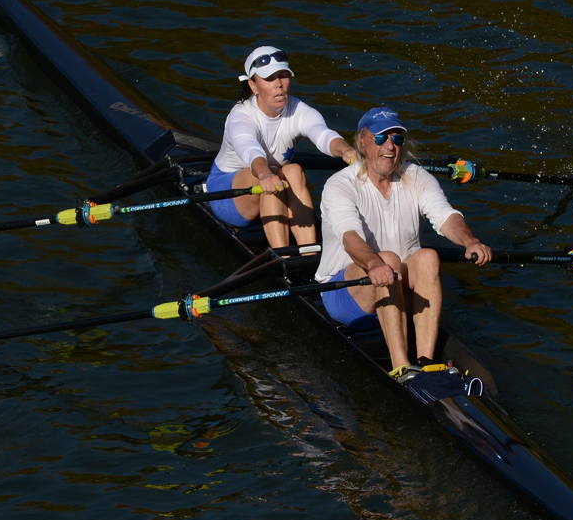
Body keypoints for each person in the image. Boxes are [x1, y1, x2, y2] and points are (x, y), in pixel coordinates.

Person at [314, 107, 493, 381]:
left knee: (428, 257)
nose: (390, 147)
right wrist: (373, 263)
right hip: (347, 293)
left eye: (397, 140)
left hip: (396, 283)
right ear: (362, 141)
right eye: (380, 139)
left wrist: (470, 241)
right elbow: (350, 238)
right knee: (388, 259)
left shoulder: (417, 177)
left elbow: (445, 216)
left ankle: (425, 360)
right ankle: (401, 367)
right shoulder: (340, 185)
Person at [208, 46, 357, 248]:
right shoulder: (241, 117)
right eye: (269, 79)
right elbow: (251, 150)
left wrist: (347, 151)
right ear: (253, 85)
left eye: (284, 76)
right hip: (228, 195)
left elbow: (323, 135)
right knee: (275, 174)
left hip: (273, 181)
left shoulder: (299, 110)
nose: (279, 85)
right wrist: (263, 174)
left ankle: (309, 252)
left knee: (294, 170)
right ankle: (284, 257)